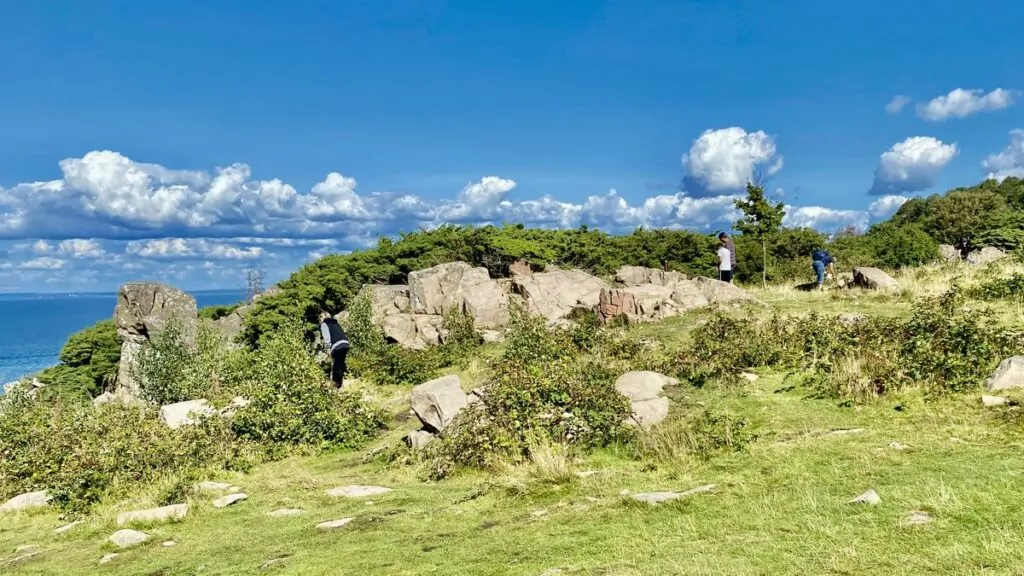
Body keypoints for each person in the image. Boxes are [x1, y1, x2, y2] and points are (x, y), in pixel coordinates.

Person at [318, 311, 350, 388]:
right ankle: (339, 383)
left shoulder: (324, 324)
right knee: (340, 364)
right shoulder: (336, 323)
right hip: (345, 344)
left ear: (321, 318)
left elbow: (327, 337)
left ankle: (336, 384)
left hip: (337, 345)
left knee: (336, 365)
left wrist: (328, 348)